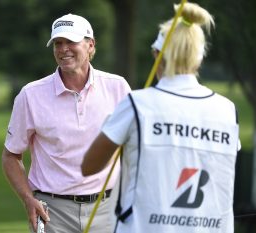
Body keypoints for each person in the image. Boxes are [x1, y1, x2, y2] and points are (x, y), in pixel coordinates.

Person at [82, 3, 240, 233]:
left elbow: (89, 166)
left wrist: (114, 127)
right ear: (199, 60)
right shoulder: (227, 110)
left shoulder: (137, 104)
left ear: (158, 55)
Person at [2, 13, 131, 233]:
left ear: (90, 45)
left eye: (71, 42)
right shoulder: (31, 95)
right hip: (52, 211)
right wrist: (27, 198)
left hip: (107, 209)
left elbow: (134, 147)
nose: (63, 49)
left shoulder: (117, 87)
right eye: (58, 44)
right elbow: (11, 156)